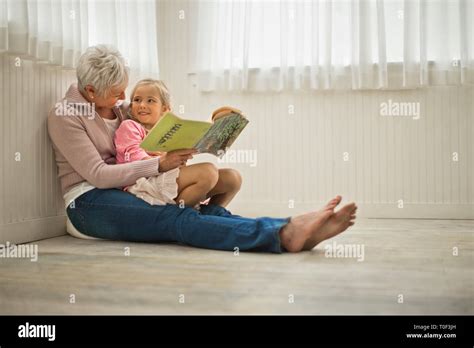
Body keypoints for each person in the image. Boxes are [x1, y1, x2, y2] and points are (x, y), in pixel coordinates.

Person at [47, 45, 357, 253]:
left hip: (132, 189)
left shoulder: (120, 109)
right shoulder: (66, 116)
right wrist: (160, 165)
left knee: (195, 208)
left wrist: (214, 129)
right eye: (117, 93)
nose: (124, 97)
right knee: (174, 218)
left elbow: (160, 124)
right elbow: (99, 175)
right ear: (90, 91)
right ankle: (282, 234)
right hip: (88, 204)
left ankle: (284, 227)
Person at [114, 78, 241, 208]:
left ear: (164, 109)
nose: (142, 105)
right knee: (208, 172)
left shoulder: (168, 130)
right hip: (144, 182)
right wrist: (160, 160)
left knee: (233, 178)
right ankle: (179, 214)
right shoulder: (130, 126)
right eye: (137, 100)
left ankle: (212, 213)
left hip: (169, 178)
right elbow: (132, 156)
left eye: (150, 100)